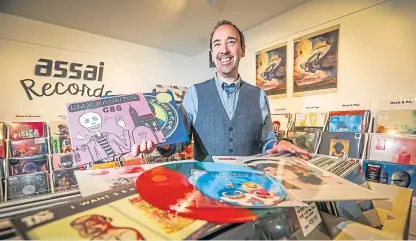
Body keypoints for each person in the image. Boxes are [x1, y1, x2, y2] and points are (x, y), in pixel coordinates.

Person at [131, 20, 312, 161]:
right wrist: (159, 144)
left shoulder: (259, 96)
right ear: (211, 53)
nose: (224, 50)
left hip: (249, 188)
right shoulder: (193, 94)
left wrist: (278, 144)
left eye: (231, 42)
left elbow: (266, 141)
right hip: (206, 189)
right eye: (217, 44)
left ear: (242, 49)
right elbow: (180, 142)